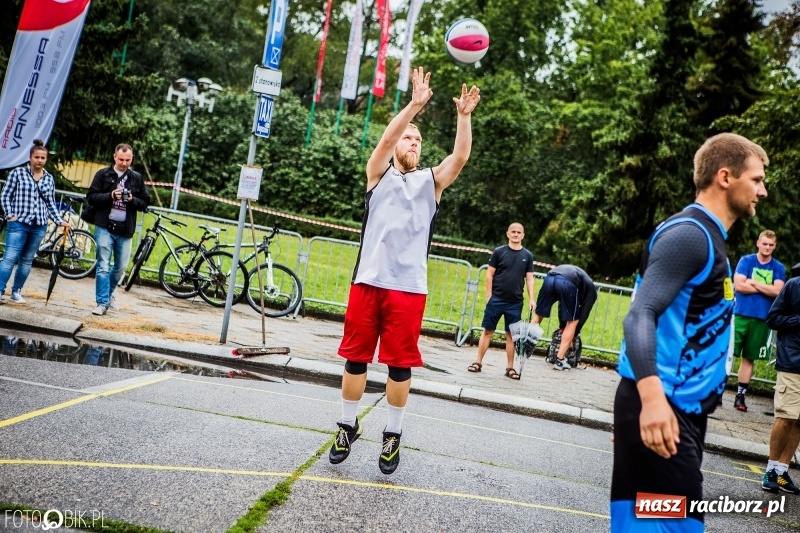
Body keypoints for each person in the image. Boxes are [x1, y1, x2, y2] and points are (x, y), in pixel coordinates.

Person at [610, 133, 769, 532]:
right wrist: (651, 402)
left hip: (678, 412)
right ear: (725, 177)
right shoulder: (690, 236)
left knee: (644, 525)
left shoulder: (707, 237)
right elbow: (640, 314)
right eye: (756, 179)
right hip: (664, 409)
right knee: (673, 526)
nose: (762, 191)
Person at [328, 67, 480, 475]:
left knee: (399, 366)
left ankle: (392, 434)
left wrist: (463, 117)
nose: (413, 142)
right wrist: (413, 107)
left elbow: (460, 158)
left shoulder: (431, 182)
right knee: (355, 360)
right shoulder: (377, 174)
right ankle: (347, 425)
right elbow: (384, 140)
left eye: (418, 139)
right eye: (408, 137)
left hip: (408, 288)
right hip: (368, 282)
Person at [0, 139, 68, 304]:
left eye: (42, 158)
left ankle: (16, 291)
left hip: (39, 225)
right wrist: (10, 215)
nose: (39, 160)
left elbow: (50, 203)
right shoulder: (18, 173)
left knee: (26, 260)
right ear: (30, 157)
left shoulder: (49, 179)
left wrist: (59, 221)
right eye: (36, 157)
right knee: (10, 258)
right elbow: (5, 195)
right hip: (18, 223)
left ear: (46, 159)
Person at [85, 143, 149, 316]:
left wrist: (132, 200)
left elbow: (145, 203)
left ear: (132, 158)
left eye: (128, 160)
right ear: (114, 157)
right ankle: (101, 303)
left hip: (125, 229)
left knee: (120, 268)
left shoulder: (137, 178)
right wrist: (110, 196)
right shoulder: (103, 174)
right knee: (103, 266)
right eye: (121, 159)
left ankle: (108, 294)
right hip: (104, 226)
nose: (124, 163)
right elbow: (91, 197)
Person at [467, 222, 535, 379]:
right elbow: (489, 274)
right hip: (496, 299)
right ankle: (478, 362)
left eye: (519, 232)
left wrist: (532, 299)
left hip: (515, 302)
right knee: (487, 331)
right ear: (508, 233)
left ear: (523, 235)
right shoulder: (499, 252)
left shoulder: (527, 256)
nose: (516, 234)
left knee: (511, 335)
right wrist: (489, 296)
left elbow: (530, 279)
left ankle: (510, 368)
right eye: (513, 232)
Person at [728, 230, 785, 412]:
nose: (767, 247)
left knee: (749, 358)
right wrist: (765, 287)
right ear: (758, 243)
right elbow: (739, 286)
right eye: (764, 243)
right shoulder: (746, 261)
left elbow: (778, 291)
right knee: (727, 354)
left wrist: (753, 282)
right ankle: (716, 392)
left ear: (774, 246)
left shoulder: (778, 267)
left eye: (770, 245)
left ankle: (740, 396)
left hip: (761, 317)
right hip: (740, 314)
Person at [762, 261, 800, 495]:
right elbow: (772, 319)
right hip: (792, 362)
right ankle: (770, 470)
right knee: (786, 417)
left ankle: (782, 471)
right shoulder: (793, 285)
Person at [529, 264, 597, 370]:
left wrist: (562, 327)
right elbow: (583, 315)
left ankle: (524, 348)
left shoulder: (582, 285)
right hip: (567, 281)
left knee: (538, 314)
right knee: (573, 322)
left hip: (549, 277)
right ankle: (559, 360)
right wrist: (573, 335)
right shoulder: (591, 293)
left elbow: (562, 307)